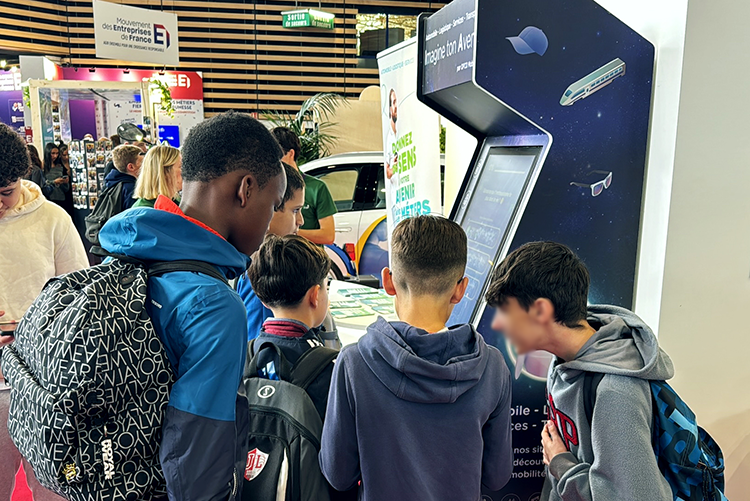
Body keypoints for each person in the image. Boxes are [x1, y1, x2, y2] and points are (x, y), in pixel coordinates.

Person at [97, 111, 286, 501]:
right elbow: (197, 467)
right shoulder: (215, 306)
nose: (270, 222)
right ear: (246, 190)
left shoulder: (132, 253)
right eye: (273, 205)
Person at [319, 215, 513, 500]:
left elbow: (339, 474)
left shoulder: (354, 363)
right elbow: (497, 476)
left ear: (388, 281)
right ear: (460, 289)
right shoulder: (492, 367)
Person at [484, 241, 674, 501]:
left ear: (541, 310)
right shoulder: (562, 363)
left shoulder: (616, 391)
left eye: (506, 312)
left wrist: (561, 465)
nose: (498, 324)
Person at [0, 123, 88, 501]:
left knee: (55, 489)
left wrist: (38, 330)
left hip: (46, 383)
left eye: (5, 192)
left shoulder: (52, 219)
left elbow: (80, 298)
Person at [245, 234, 332, 419]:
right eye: (327, 287)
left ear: (263, 300)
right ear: (315, 295)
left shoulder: (244, 355)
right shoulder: (332, 366)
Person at [236, 162, 305, 341]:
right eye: (295, 210)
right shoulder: (264, 268)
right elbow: (258, 343)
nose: (301, 220)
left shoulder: (250, 256)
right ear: (269, 208)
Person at [272, 127, 337, 245]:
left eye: (276, 155)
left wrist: (290, 231)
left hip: (306, 254)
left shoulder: (317, 187)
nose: (273, 161)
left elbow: (328, 236)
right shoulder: (270, 188)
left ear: (291, 153)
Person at [104, 144, 143, 212]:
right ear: (131, 167)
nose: (145, 166)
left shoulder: (111, 183)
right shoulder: (132, 189)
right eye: (142, 163)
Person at [42, 142, 69, 212]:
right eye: (53, 153)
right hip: (49, 199)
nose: (55, 156)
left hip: (61, 198)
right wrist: (54, 182)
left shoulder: (59, 166)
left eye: (57, 153)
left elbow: (66, 189)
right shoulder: (42, 166)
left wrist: (64, 182)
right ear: (48, 153)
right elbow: (42, 185)